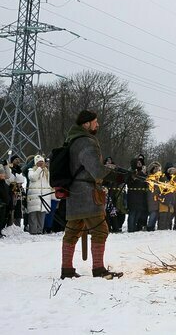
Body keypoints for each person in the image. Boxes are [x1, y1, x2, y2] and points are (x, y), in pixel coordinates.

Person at [59, 110, 122, 280]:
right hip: (87, 193)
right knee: (100, 230)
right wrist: (117, 175)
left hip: (74, 193)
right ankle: (99, 269)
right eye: (95, 122)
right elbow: (97, 171)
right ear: (86, 124)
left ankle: (66, 270)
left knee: (72, 231)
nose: (98, 125)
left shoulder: (72, 140)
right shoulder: (86, 142)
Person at [25, 155, 49, 235]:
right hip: (34, 195)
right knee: (33, 214)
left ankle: (40, 230)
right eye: (39, 162)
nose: (41, 164)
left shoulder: (47, 171)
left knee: (42, 214)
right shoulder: (31, 170)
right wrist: (39, 169)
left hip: (44, 195)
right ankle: (33, 231)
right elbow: (33, 178)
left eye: (42, 162)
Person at [126, 156, 148, 232]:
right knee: (132, 212)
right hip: (133, 195)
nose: (139, 164)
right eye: (138, 163)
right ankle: (131, 228)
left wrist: (145, 174)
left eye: (140, 163)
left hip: (140, 195)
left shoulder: (143, 173)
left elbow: (146, 182)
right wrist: (134, 177)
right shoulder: (132, 171)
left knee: (138, 212)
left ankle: (135, 227)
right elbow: (128, 182)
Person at [145, 162, 162, 231]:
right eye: (155, 168)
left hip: (157, 196)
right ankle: (150, 226)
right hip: (152, 196)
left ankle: (152, 226)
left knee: (156, 213)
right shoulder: (150, 177)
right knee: (153, 212)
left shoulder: (158, 178)